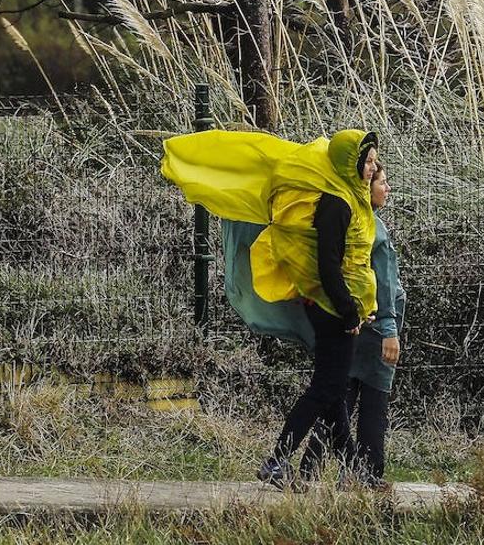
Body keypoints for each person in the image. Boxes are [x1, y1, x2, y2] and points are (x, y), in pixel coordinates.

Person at [160, 127, 380, 489]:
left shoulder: (347, 197)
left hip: (336, 307)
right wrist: (348, 309)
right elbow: (329, 265)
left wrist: (355, 304)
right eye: (367, 161)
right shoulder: (336, 204)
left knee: (333, 389)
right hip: (332, 310)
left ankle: (354, 469)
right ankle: (278, 460)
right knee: (325, 389)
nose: (372, 168)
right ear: (348, 163)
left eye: (373, 161)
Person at [299, 162, 404, 489]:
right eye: (382, 182)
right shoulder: (374, 228)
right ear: (366, 186)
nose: (387, 189)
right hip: (375, 326)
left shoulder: (348, 220)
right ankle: (366, 475)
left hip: (351, 322)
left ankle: (309, 471)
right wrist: (390, 330)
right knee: (375, 397)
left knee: (339, 398)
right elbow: (384, 283)